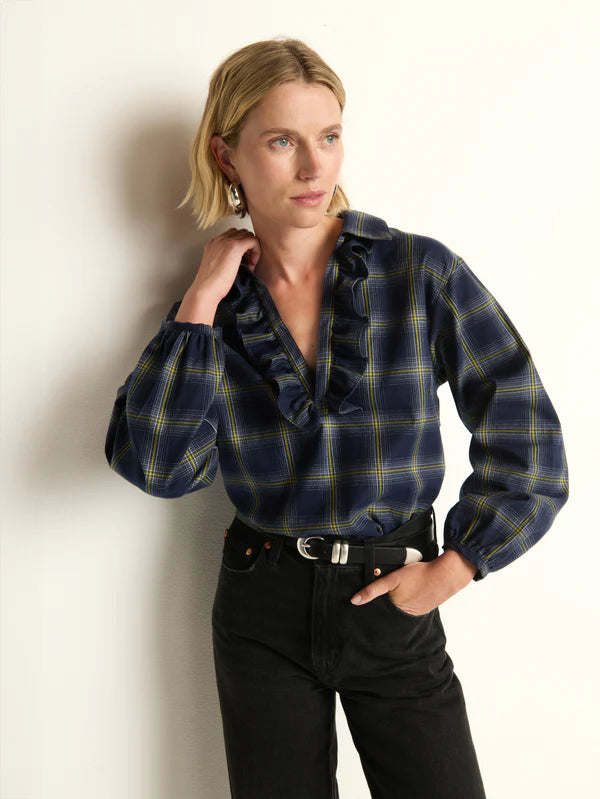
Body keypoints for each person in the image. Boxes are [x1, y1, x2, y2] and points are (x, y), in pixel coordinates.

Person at [104, 37, 569, 799]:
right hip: (259, 605)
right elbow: (158, 467)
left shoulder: (418, 271)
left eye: (328, 136)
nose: (314, 167)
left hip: (393, 591)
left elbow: (526, 429)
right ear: (226, 155)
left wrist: (457, 564)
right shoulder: (213, 312)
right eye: (282, 142)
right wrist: (199, 301)